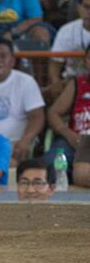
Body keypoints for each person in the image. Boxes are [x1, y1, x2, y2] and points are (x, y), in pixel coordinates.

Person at [46, 45, 90, 176]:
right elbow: (53, 113)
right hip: (76, 140)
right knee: (50, 165)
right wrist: (67, 134)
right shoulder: (77, 83)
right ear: (85, 61)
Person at [47, 0, 90, 99]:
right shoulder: (67, 30)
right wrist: (55, 83)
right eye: (86, 7)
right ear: (79, 8)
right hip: (72, 81)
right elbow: (55, 64)